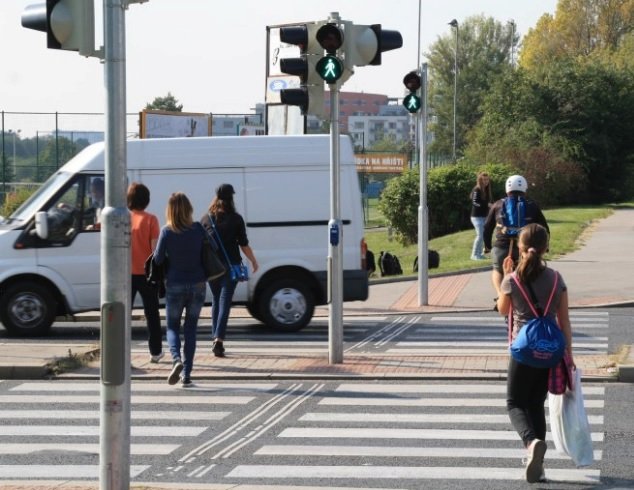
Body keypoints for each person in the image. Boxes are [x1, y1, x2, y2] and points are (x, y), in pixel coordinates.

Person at [496, 223, 573, 483]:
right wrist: (569, 355)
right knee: (535, 404)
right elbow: (565, 321)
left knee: (514, 402)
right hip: (549, 350)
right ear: (545, 248)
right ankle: (538, 467)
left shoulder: (513, 278)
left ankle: (531, 444)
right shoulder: (557, 278)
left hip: (522, 349)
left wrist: (505, 276)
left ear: (520, 248)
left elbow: (502, 310)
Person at [153, 192, 207, 387]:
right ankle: (187, 376)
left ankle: (176, 360)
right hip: (198, 284)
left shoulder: (167, 231)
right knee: (191, 329)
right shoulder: (199, 228)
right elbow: (214, 248)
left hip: (175, 284)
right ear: (189, 209)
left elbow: (158, 259)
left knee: (173, 327)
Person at [200, 183, 258, 358]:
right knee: (224, 303)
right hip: (230, 267)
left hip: (212, 269)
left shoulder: (206, 219)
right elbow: (243, 244)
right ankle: (219, 339)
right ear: (231, 198)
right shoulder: (236, 219)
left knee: (217, 301)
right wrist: (253, 261)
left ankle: (215, 338)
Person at [484, 174, 549, 300]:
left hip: (501, 245)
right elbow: (544, 228)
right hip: (524, 246)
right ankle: (526, 295)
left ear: (507, 189)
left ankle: (500, 295)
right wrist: (545, 247)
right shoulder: (532, 205)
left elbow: (487, 227)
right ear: (525, 188)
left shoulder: (497, 204)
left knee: (497, 270)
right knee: (528, 269)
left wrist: (487, 246)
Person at [127, 182, 163, 363]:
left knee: (125, 315)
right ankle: (155, 352)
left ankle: (123, 352)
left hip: (126, 274)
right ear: (146, 200)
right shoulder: (151, 220)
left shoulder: (124, 218)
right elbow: (154, 249)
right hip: (147, 274)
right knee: (152, 314)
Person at [469, 172, 493, 260]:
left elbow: (486, 203)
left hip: (484, 216)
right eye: (484, 180)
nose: (486, 181)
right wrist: (486, 205)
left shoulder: (487, 189)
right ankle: (474, 255)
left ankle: (479, 254)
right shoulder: (477, 189)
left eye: (487, 179)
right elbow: (475, 203)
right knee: (480, 235)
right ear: (480, 180)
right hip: (476, 217)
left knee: (483, 235)